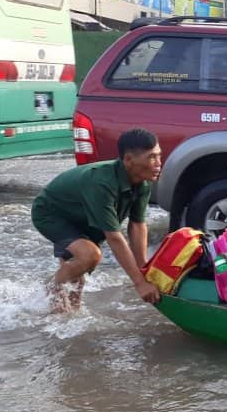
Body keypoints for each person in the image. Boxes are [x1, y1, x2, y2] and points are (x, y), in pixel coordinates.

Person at [30, 127, 163, 313]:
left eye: (159, 156)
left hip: (83, 214)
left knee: (77, 281)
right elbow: (114, 237)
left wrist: (144, 270)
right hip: (52, 212)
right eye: (151, 157)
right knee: (90, 255)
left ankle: (61, 319)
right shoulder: (101, 182)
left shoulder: (144, 181)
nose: (158, 163)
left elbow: (138, 225)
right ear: (128, 160)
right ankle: (52, 286)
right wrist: (139, 284)